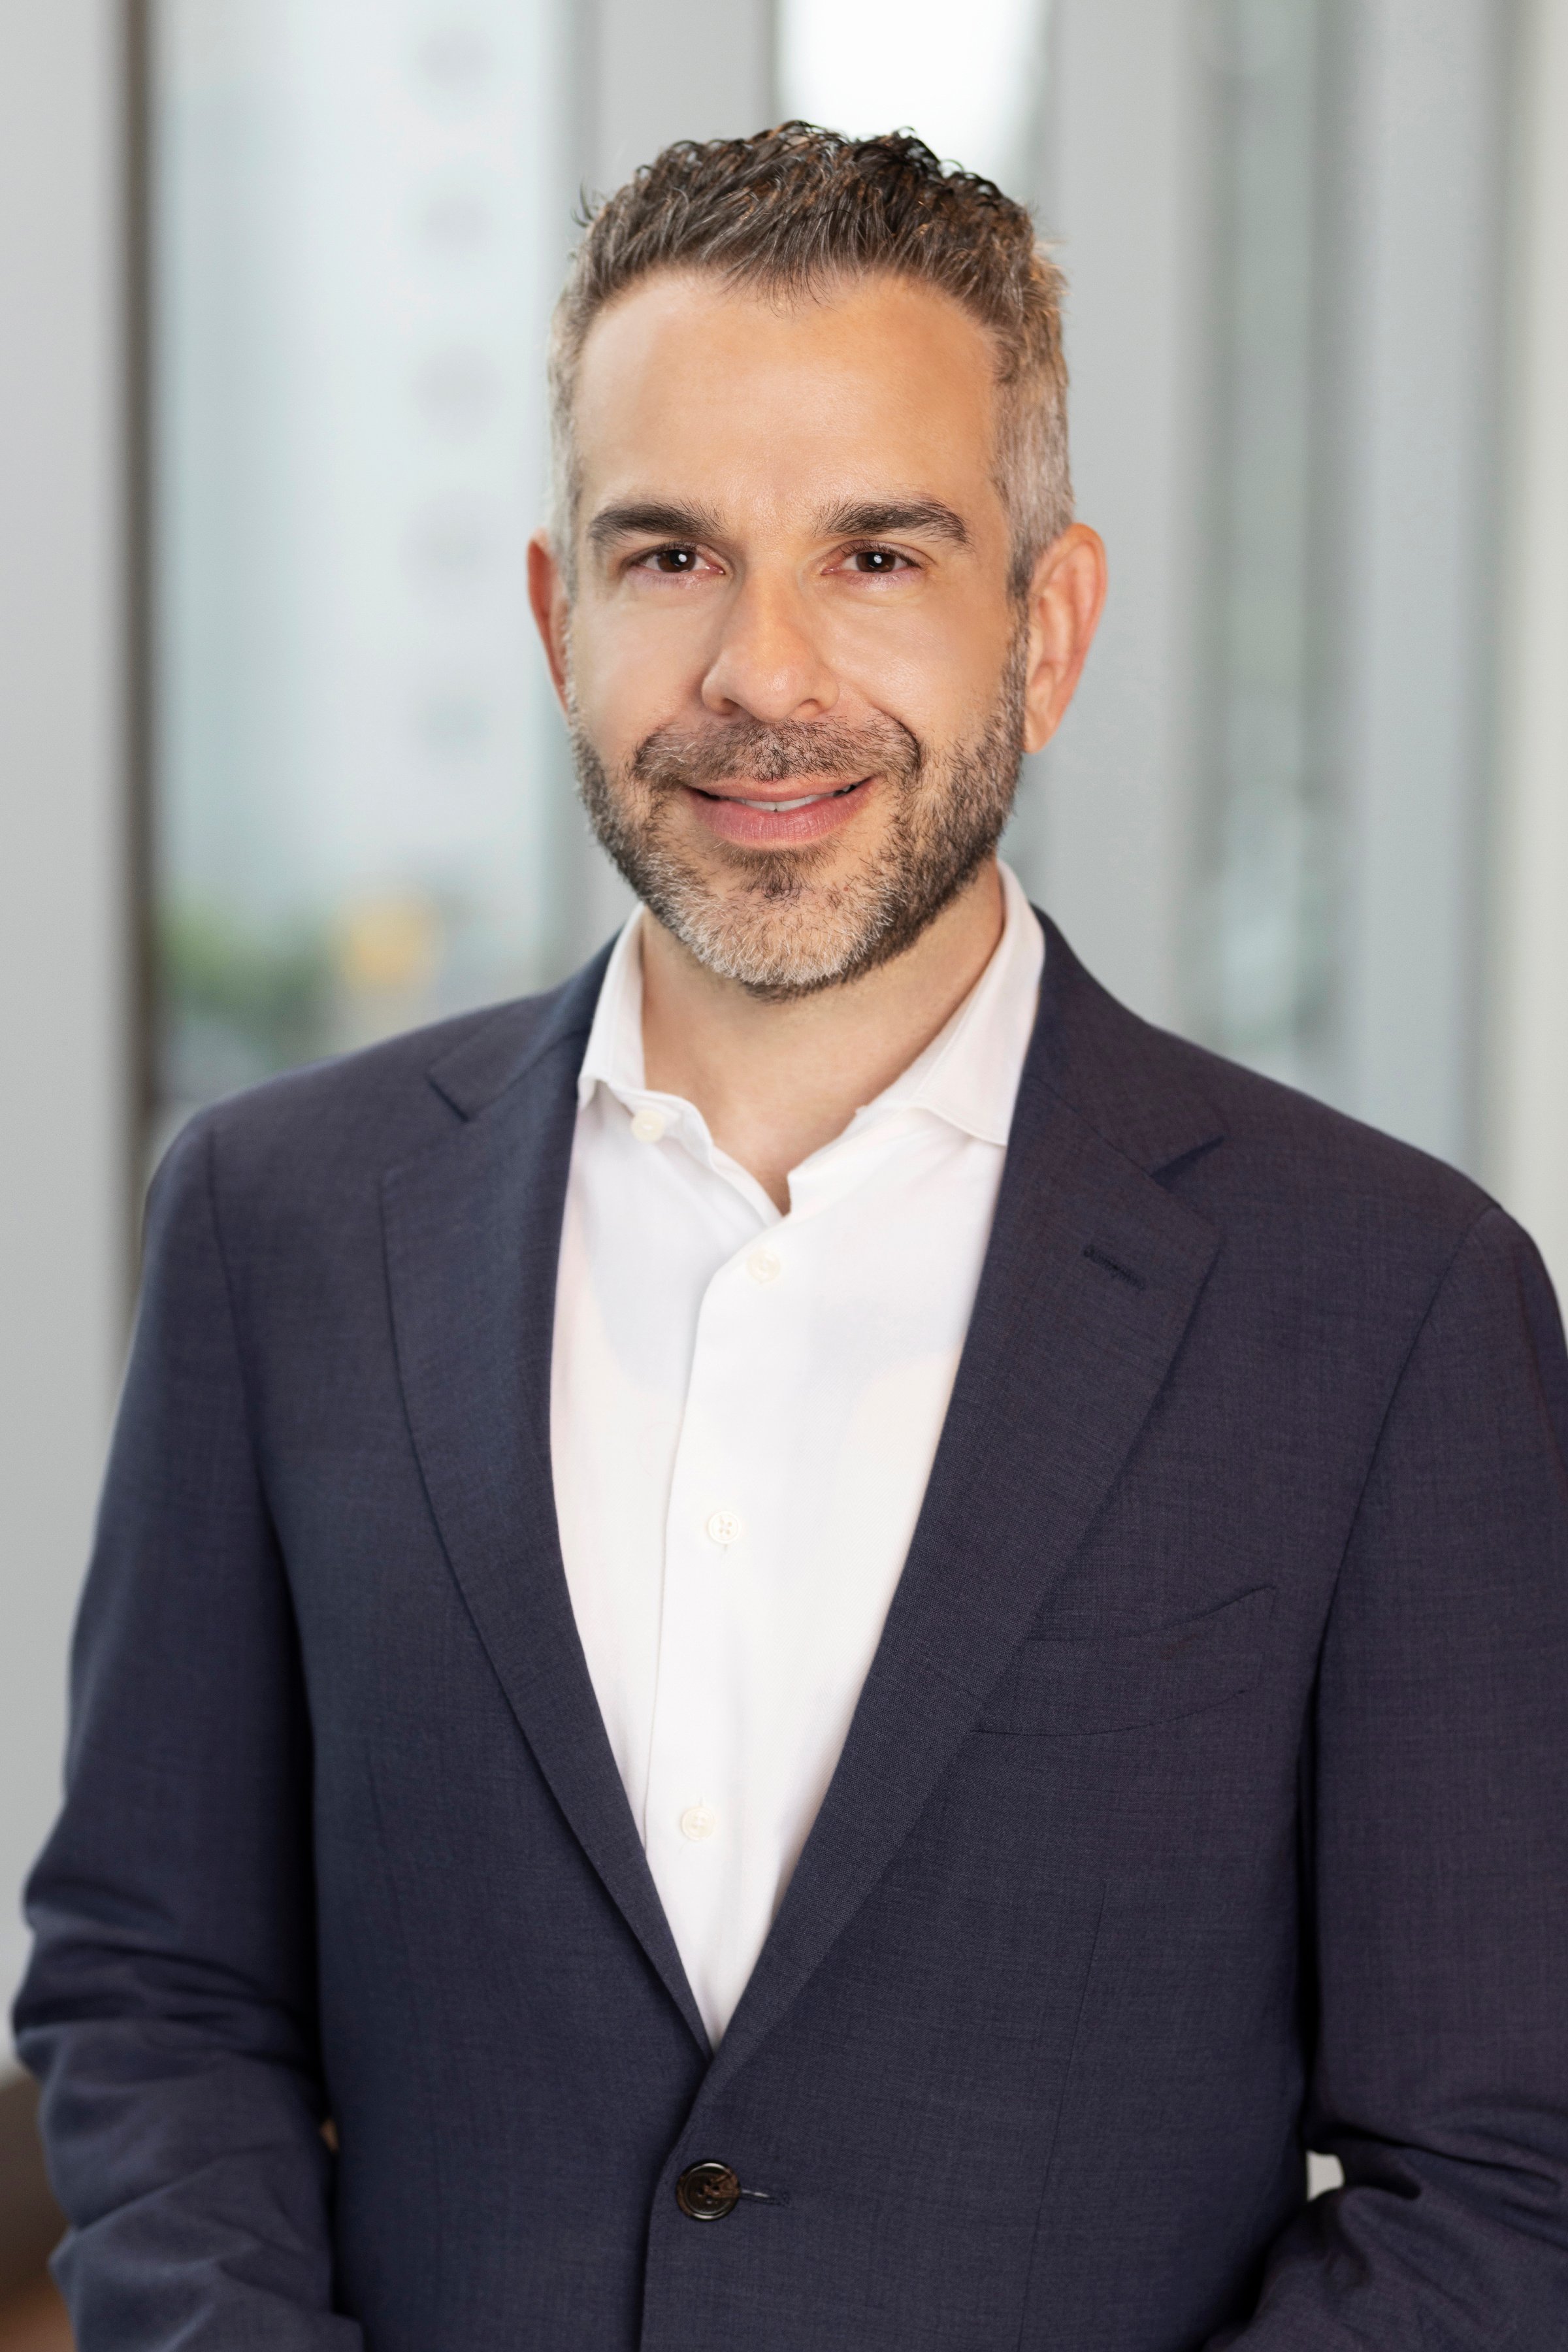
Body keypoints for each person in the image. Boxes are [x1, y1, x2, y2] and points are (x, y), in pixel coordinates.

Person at [16, 123, 1568, 2351]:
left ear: (1047, 624)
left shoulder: (1393, 1305)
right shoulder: (279, 1226)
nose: (762, 674)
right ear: (557, 618)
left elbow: (1498, 2181)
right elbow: (159, 1988)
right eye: (670, 553)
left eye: (876, 553)